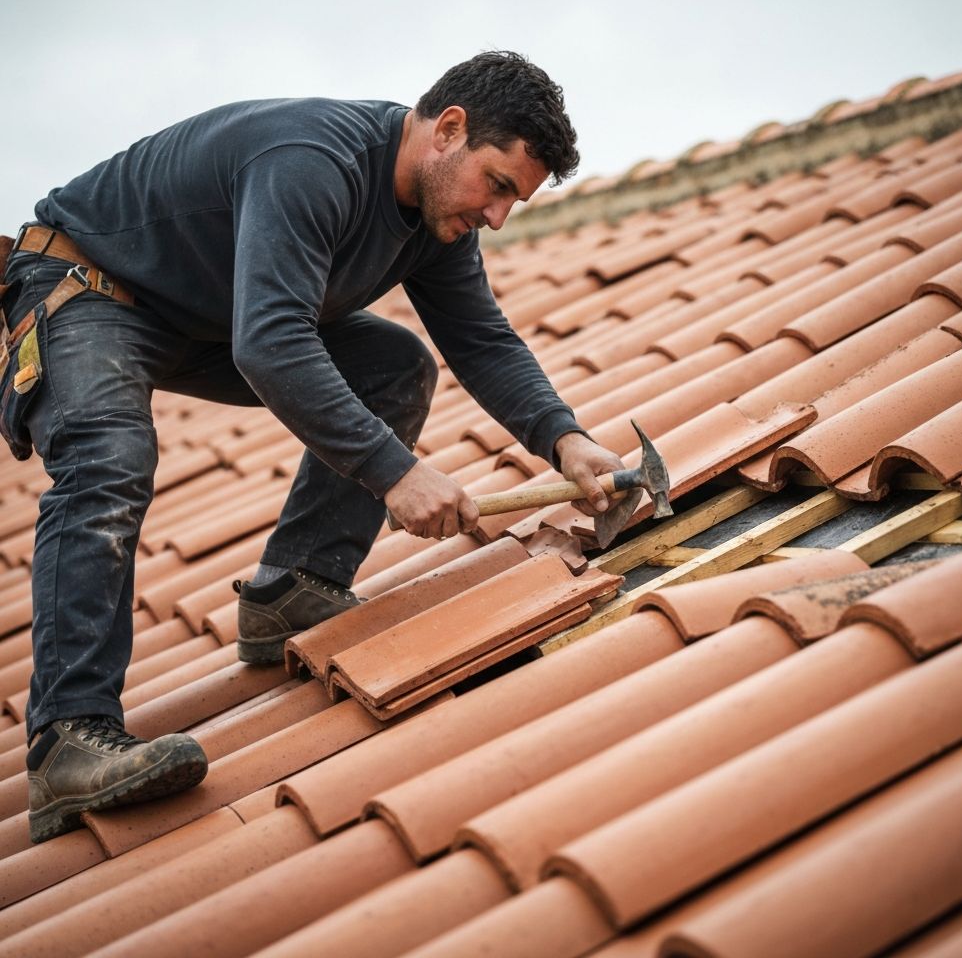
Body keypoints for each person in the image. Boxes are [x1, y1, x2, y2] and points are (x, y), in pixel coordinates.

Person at [0, 51, 623, 843]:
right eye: (497, 185)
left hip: (198, 317)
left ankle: (293, 589)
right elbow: (270, 341)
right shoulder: (314, 160)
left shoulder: (438, 222)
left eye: (515, 202)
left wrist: (565, 441)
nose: (498, 215)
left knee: (393, 365)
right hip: (85, 288)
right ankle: (69, 738)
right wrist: (394, 473)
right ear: (450, 130)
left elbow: (481, 339)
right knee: (109, 459)